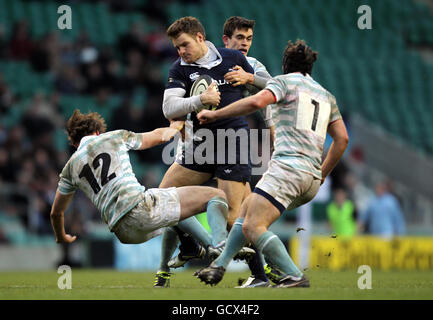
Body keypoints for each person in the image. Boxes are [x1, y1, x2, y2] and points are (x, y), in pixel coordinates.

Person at [195, 39, 349, 287]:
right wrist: (321, 174)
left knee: (254, 226)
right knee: (246, 212)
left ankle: (294, 274)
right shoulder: (325, 95)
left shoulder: (283, 81)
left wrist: (215, 113)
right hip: (309, 177)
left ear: (285, 64)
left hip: (287, 169)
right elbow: (342, 139)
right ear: (310, 67)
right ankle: (219, 266)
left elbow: (256, 102)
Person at [154, 16, 271, 288]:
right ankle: (190, 246)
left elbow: (276, 89)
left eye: (183, 45)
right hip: (201, 144)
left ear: (199, 38)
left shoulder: (234, 59)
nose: (180, 51)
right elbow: (169, 108)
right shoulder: (180, 68)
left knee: (234, 218)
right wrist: (199, 100)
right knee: (163, 198)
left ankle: (261, 276)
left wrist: (250, 78)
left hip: (233, 142)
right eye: (176, 47)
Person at [49, 110, 231, 272]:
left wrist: (61, 237)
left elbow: (56, 213)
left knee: (175, 206)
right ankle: (220, 248)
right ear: (97, 132)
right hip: (140, 209)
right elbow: (159, 136)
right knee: (216, 195)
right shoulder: (113, 137)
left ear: (74, 144)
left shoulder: (69, 168)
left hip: (123, 232)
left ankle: (199, 247)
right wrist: (176, 125)